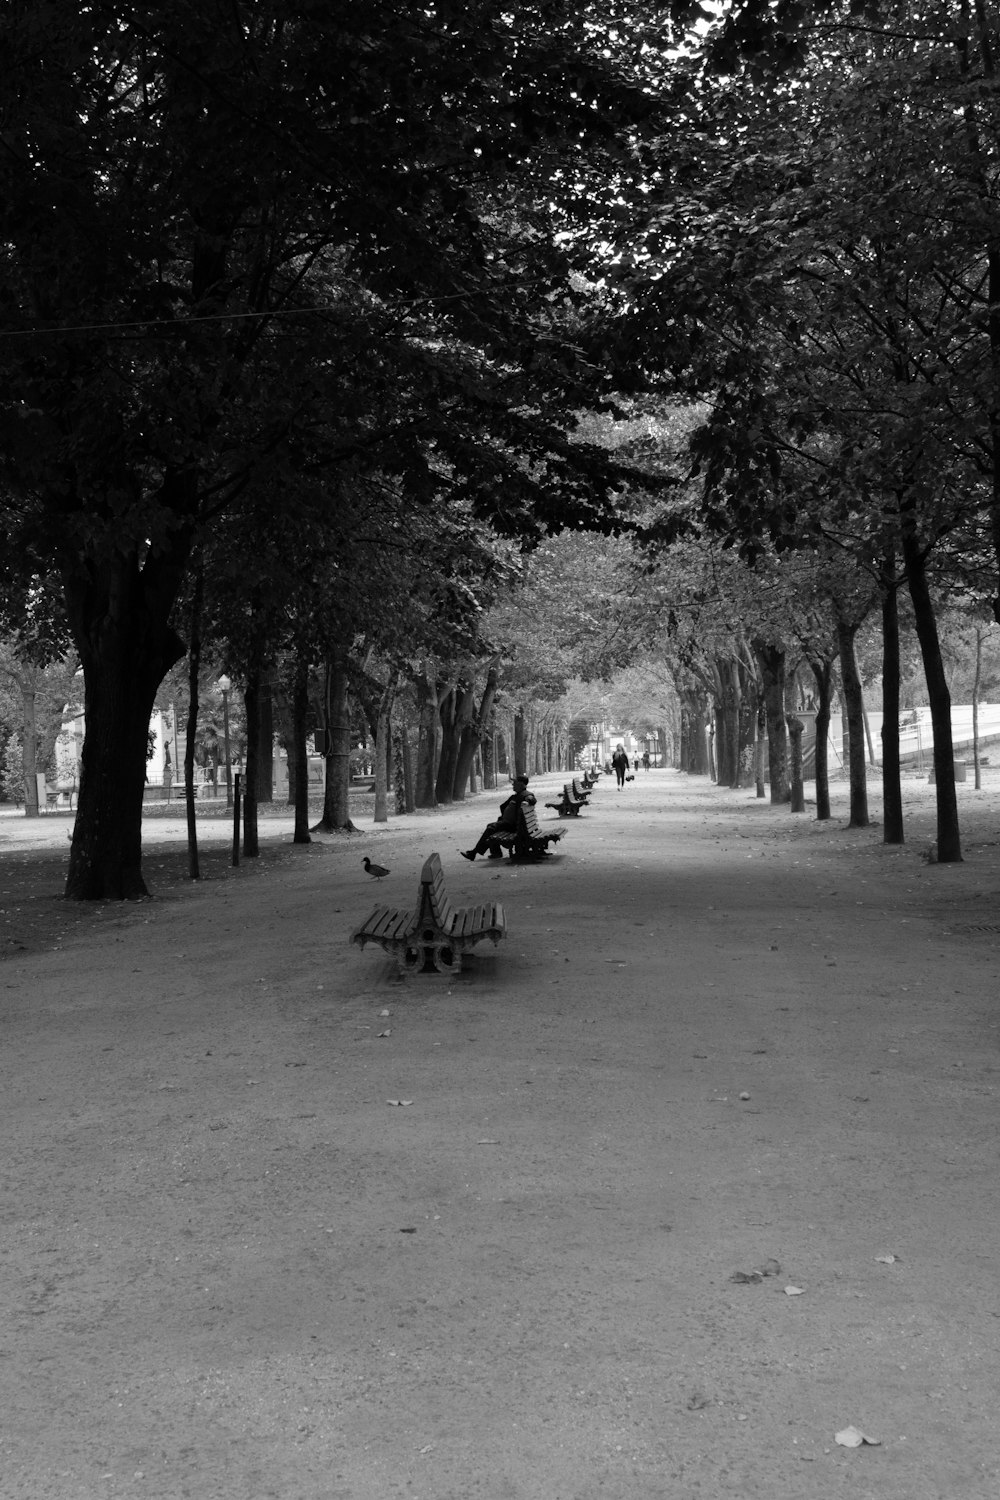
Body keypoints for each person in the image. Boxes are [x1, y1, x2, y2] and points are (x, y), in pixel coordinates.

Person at [461, 775, 535, 860]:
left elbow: (531, 798)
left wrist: (528, 801)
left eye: (515, 783)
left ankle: (474, 853)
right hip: (510, 823)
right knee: (491, 826)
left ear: (522, 784)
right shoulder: (516, 795)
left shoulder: (525, 794)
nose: (513, 785)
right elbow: (504, 807)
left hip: (515, 826)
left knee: (491, 828)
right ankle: (495, 853)